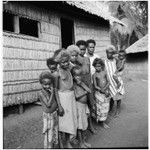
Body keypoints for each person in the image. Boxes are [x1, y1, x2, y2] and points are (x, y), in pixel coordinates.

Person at [53, 49, 78, 148]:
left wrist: (68, 57)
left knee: (70, 121)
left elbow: (74, 62)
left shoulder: (69, 68)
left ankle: (68, 141)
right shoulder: (57, 73)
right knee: (63, 122)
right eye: (62, 62)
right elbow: (55, 90)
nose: (65, 63)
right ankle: (63, 143)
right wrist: (59, 106)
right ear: (58, 62)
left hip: (71, 97)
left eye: (67, 61)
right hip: (62, 98)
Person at [76, 40, 96, 133]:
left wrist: (91, 84)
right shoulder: (75, 60)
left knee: (90, 104)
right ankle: (80, 128)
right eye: (80, 49)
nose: (82, 51)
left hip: (88, 83)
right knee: (81, 106)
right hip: (80, 85)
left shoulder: (87, 59)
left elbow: (89, 72)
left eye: (84, 49)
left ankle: (90, 125)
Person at [71, 66, 91, 148]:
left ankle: (84, 141)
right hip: (78, 107)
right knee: (80, 126)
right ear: (73, 76)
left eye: (80, 75)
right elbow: (76, 96)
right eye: (76, 75)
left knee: (84, 125)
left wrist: (82, 84)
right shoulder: (73, 85)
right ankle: (81, 143)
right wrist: (84, 93)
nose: (79, 77)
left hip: (84, 106)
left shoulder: (81, 84)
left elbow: (89, 90)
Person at [38, 71, 59, 148]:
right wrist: (53, 93)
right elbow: (48, 104)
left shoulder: (49, 91)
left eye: (49, 84)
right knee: (49, 133)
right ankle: (49, 147)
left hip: (53, 114)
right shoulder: (41, 93)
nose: (47, 86)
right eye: (45, 84)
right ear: (41, 83)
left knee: (54, 131)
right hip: (48, 116)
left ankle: (53, 146)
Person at [104, 45, 123, 117]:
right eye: (109, 53)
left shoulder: (115, 60)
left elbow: (120, 67)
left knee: (118, 96)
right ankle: (110, 109)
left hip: (116, 80)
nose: (110, 54)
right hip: (109, 81)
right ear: (106, 53)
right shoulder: (104, 61)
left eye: (112, 53)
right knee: (111, 96)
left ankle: (117, 111)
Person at [92, 58, 110, 129]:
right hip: (99, 93)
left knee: (105, 107)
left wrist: (105, 89)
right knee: (100, 108)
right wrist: (101, 90)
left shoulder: (105, 72)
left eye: (99, 66)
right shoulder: (94, 75)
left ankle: (103, 121)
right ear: (94, 66)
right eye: (96, 66)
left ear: (102, 66)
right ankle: (101, 122)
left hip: (105, 92)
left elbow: (108, 82)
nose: (98, 68)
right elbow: (95, 85)